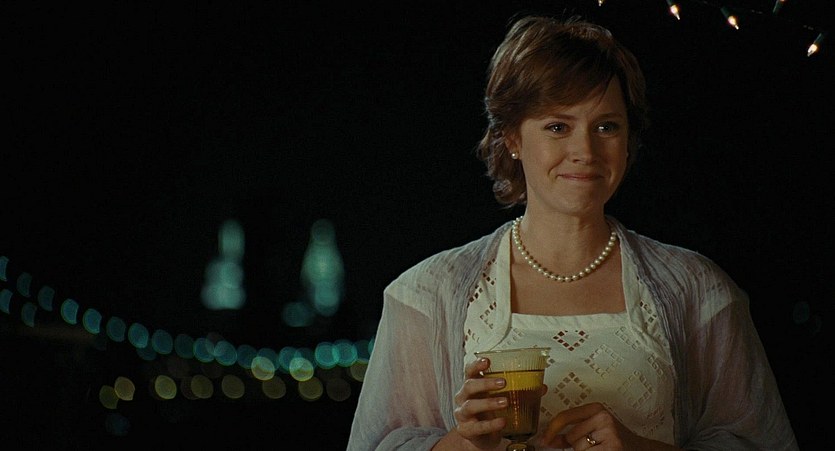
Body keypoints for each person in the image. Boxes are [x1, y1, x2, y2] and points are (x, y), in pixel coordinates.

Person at [346, 14, 798, 451]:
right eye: (558, 127)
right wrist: (463, 445)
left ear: (628, 140)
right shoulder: (426, 295)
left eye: (606, 126)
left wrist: (641, 449)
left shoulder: (698, 291)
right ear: (512, 138)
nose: (585, 150)